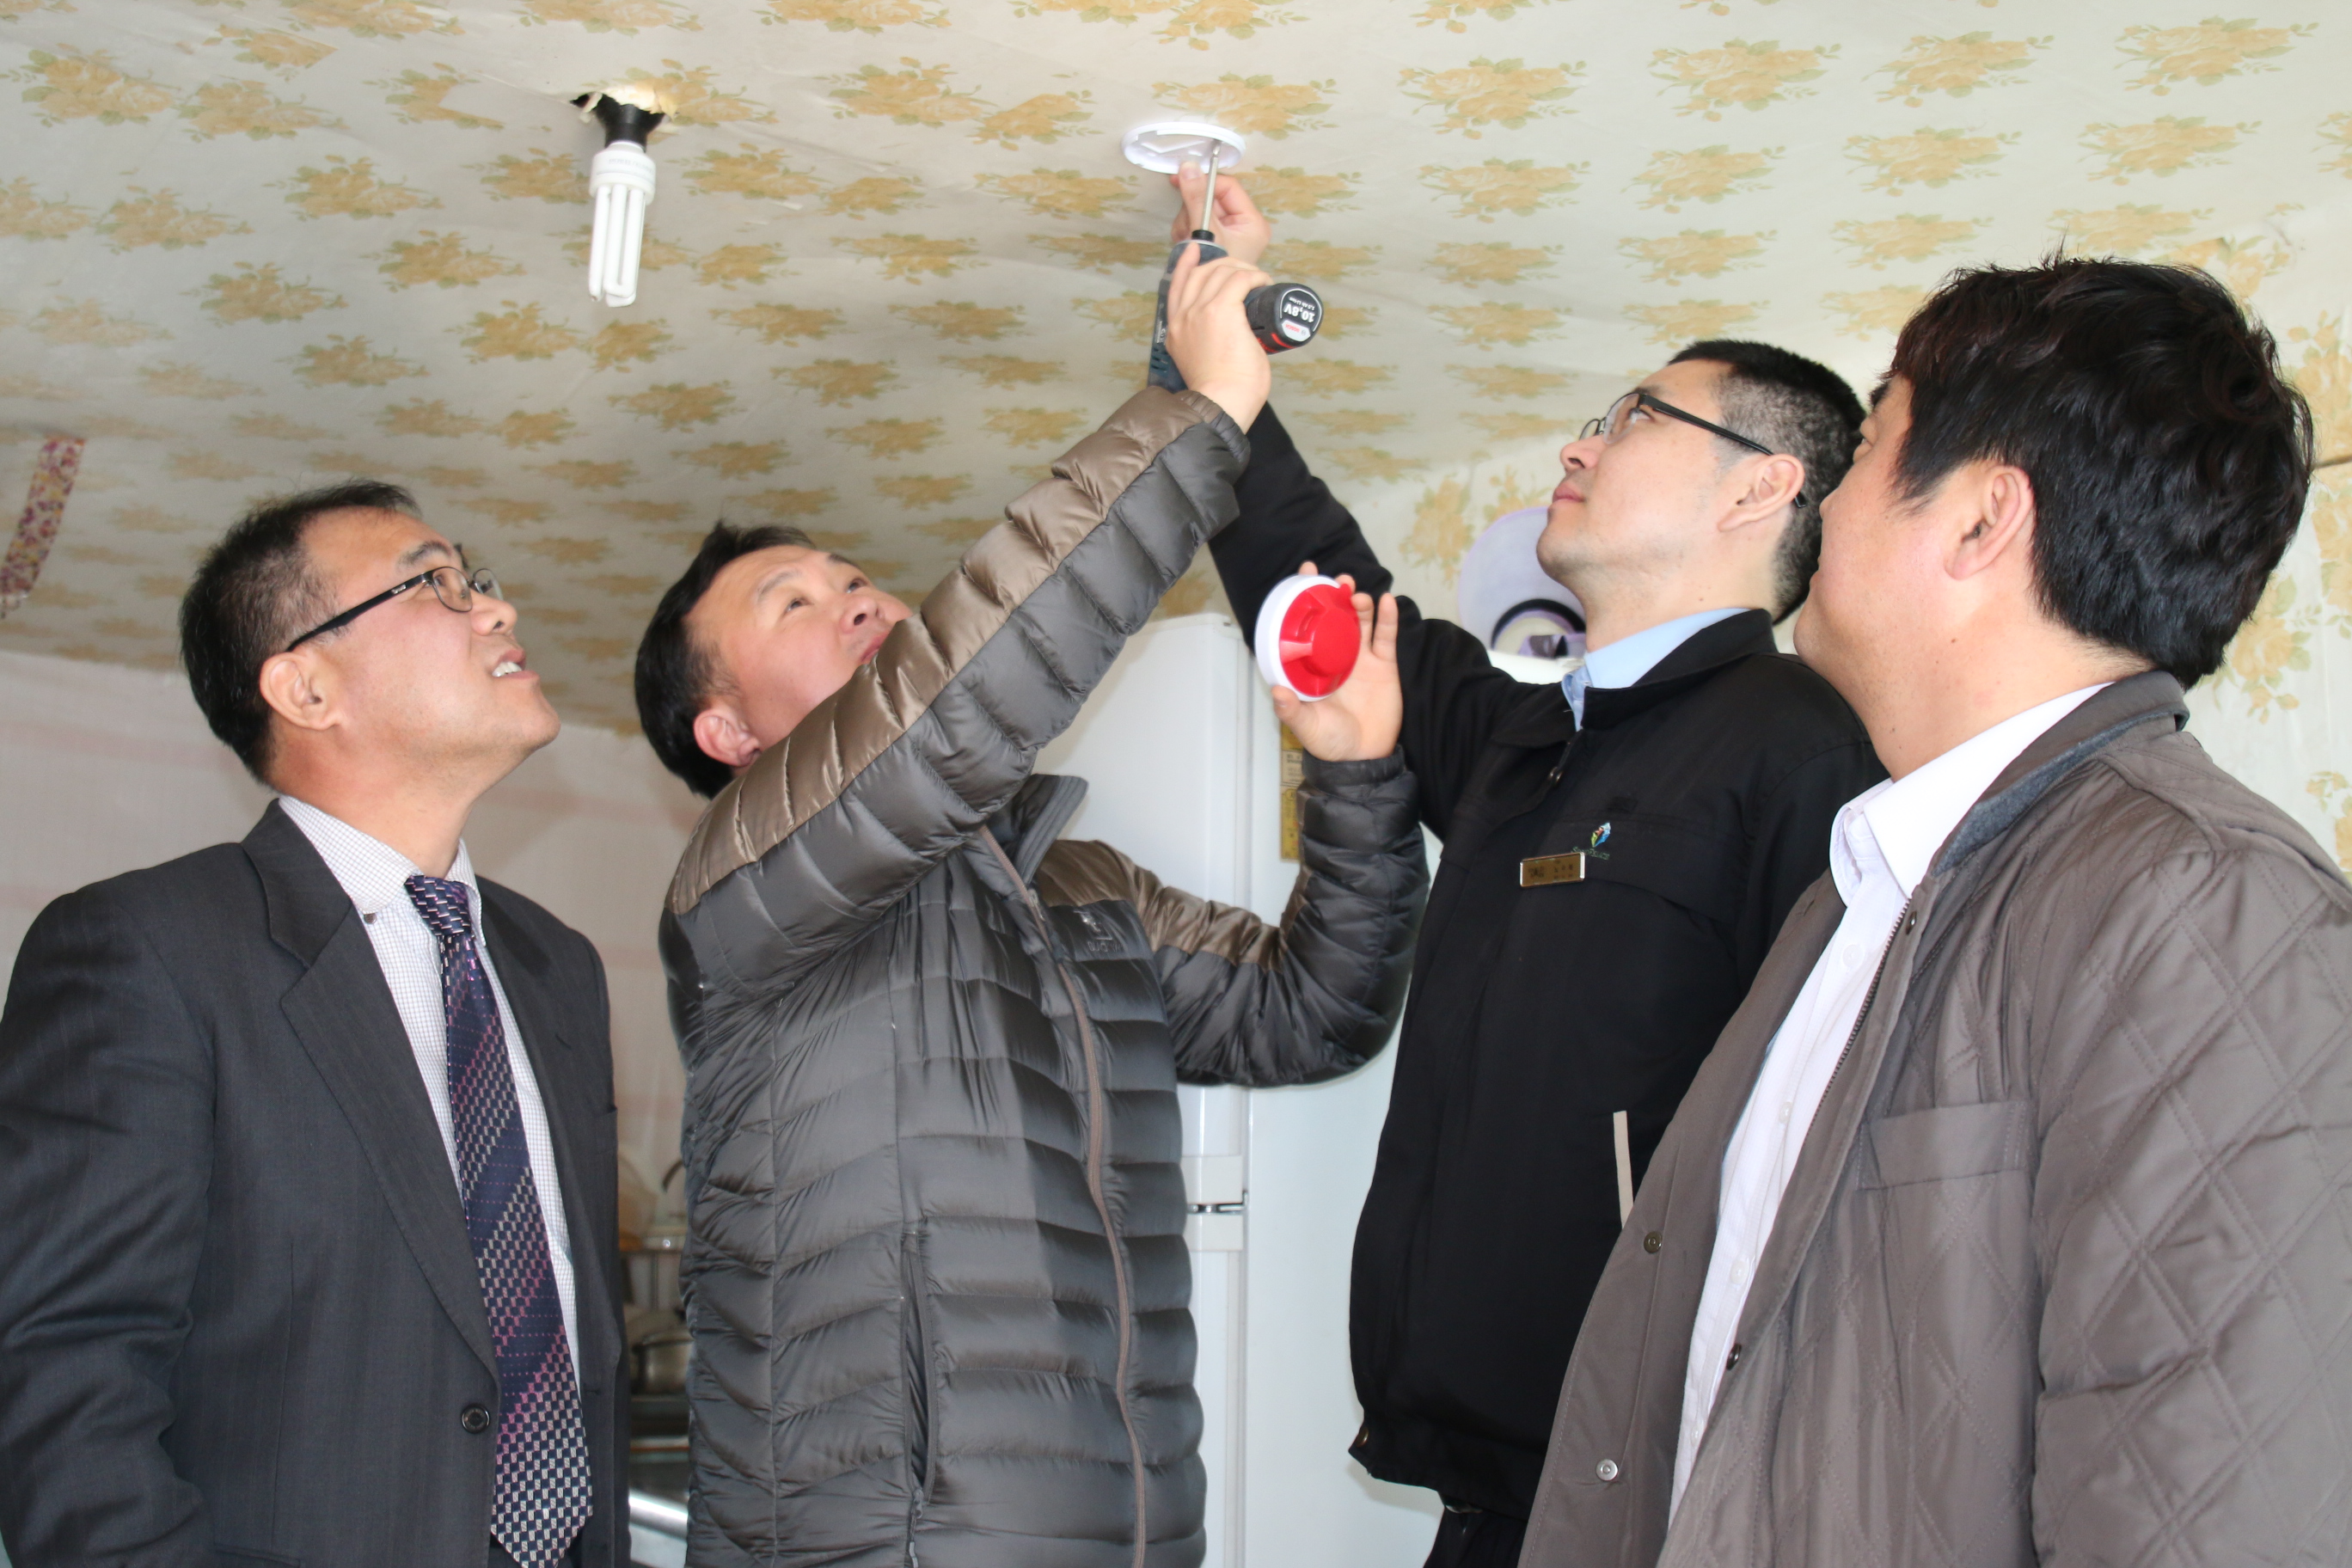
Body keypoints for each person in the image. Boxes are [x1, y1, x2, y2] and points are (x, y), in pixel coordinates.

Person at [1518, 256, 2352, 1566]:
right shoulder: (1866, 884)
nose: (1829, 501)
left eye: (1864, 453)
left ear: (1979, 521)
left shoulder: (2204, 903)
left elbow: (2209, 1506)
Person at [632, 249, 1429, 1565]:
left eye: (851, 575)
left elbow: (1316, 1011)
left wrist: (1355, 771)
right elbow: (953, 708)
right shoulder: (740, 886)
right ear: (728, 733)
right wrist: (1198, 411)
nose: (857, 596)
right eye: (796, 603)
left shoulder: (1077, 885)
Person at [1173, 168, 1884, 1566]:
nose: (1580, 442)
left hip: (1660, 1497)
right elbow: (1323, 590)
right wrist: (1210, 334)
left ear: (1762, 484)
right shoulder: (1529, 737)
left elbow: (1838, 1156)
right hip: (1491, 1490)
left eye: (1631, 417)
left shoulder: (1803, 749)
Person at [0, 482, 628, 1568]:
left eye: (477, 579)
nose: (496, 608)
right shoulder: (148, 949)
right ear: (305, 686)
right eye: (434, 583)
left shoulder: (556, 965)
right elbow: (67, 1373)